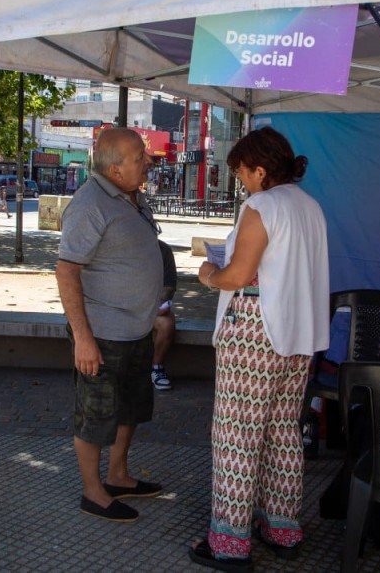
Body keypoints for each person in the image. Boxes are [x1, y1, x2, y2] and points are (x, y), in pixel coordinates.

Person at [190, 127, 330, 571]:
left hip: (255, 332)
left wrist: (208, 273)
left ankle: (230, 543)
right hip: (298, 335)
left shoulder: (261, 206)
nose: (242, 183)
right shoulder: (310, 207)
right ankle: (282, 528)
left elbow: (236, 276)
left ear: (260, 170)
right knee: (284, 433)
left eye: (242, 174)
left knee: (237, 437)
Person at [56, 127, 164, 524]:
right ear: (115, 169)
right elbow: (66, 272)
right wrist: (83, 339)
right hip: (102, 335)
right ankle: (93, 491)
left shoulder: (131, 197)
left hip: (137, 331)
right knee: (96, 414)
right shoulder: (90, 204)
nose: (148, 161)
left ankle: (117, 475)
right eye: (139, 157)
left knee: (130, 408)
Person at [150, 239, 176, 391]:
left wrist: (157, 306)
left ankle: (157, 367)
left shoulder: (163, 249)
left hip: (151, 308)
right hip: (121, 307)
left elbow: (169, 287)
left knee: (166, 323)